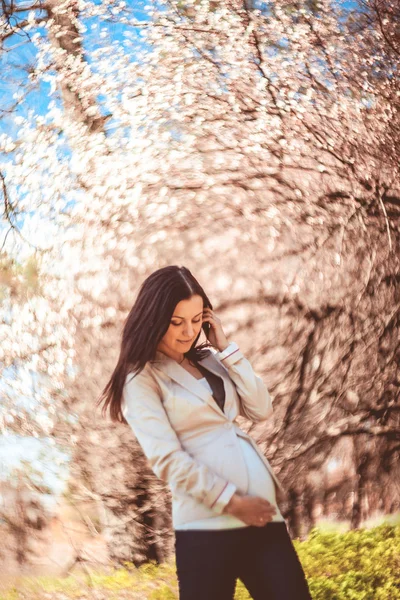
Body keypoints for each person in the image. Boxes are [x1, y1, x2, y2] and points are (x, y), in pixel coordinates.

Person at [98, 265, 312, 600]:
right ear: (154, 318)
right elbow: (167, 460)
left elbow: (260, 409)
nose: (188, 332)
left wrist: (225, 349)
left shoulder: (211, 360)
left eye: (197, 319)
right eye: (176, 322)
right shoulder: (140, 378)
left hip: (262, 519)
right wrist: (231, 501)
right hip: (206, 528)